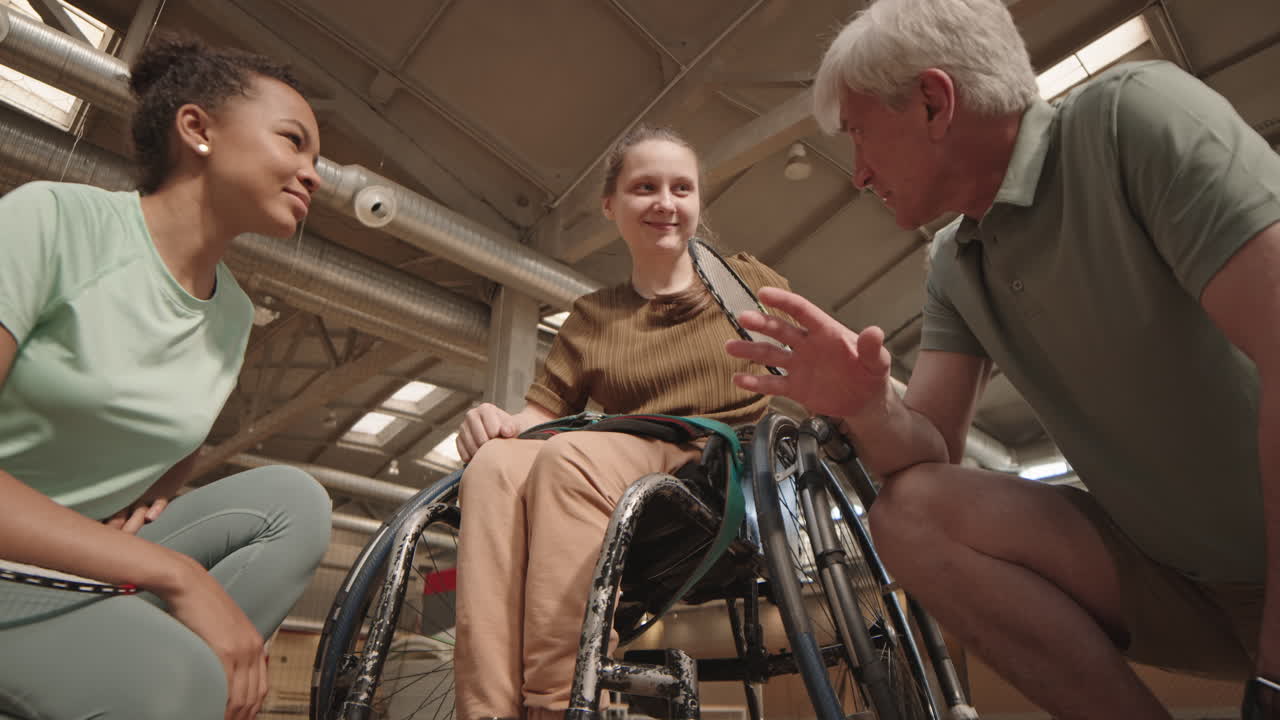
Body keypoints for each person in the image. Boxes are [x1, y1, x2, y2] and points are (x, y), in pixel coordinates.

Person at [724, 1, 1280, 718]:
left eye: (861, 135)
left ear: (932, 101)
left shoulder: (1131, 120)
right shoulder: (956, 261)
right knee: (912, 515)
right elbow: (927, 454)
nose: (858, 174)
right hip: (1181, 582)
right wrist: (870, 406)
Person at [0, 37, 331, 720]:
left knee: (293, 502)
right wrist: (172, 573)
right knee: (183, 677)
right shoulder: (53, 220)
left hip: (70, 569)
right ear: (197, 129)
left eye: (315, 160)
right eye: (294, 142)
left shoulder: (233, 315)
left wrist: (149, 515)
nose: (313, 174)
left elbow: (167, 461)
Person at [453, 124, 789, 720]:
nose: (665, 202)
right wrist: (489, 423)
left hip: (711, 463)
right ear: (611, 205)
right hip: (616, 461)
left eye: (681, 188)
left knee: (569, 457)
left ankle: (561, 705)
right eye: (645, 187)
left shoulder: (747, 284)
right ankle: (487, 710)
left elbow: (808, 364)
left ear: (698, 203)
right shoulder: (592, 316)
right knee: (497, 465)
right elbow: (535, 418)